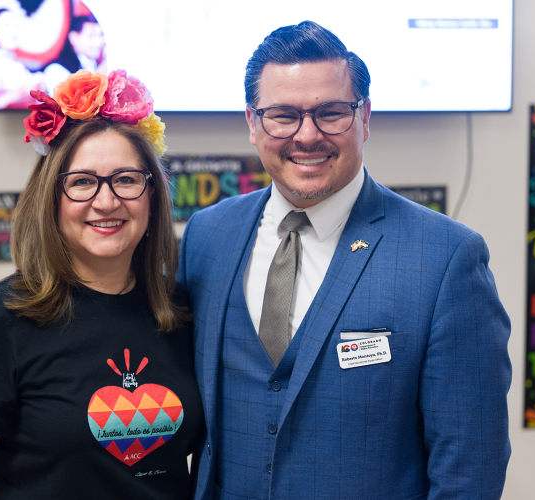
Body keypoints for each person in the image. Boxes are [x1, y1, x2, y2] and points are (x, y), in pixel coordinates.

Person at [177, 21, 511, 500]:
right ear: (252, 123)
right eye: (283, 115)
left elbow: (470, 469)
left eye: (331, 113)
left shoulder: (446, 258)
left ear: (365, 117)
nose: (307, 135)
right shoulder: (208, 236)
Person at [0, 69, 204, 499]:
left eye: (126, 179)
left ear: (151, 194)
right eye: (82, 182)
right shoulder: (2, 317)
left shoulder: (182, 311)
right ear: (52, 199)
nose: (106, 200)